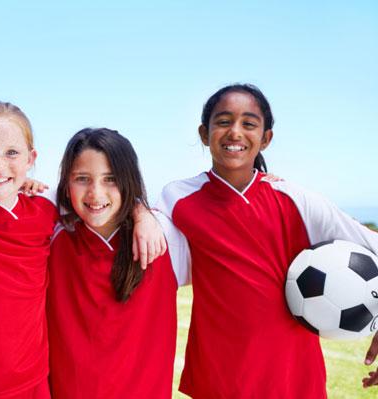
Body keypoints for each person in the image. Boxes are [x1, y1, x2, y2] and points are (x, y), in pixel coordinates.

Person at [156, 83, 378, 398]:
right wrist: (140, 215)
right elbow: (149, 233)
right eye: (223, 121)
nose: (235, 132)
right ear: (204, 133)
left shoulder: (295, 199)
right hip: (219, 377)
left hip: (293, 377)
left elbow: (372, 245)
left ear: (266, 138)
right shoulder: (177, 197)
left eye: (248, 123)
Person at [0, 102, 165, 399]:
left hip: (32, 384)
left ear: (31, 158)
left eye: (11, 153)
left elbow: (98, 198)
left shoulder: (46, 207)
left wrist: (141, 211)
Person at [47, 128, 190, 399]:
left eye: (110, 179)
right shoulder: (52, 232)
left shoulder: (165, 236)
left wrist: (142, 211)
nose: (95, 193)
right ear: (66, 182)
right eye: (82, 179)